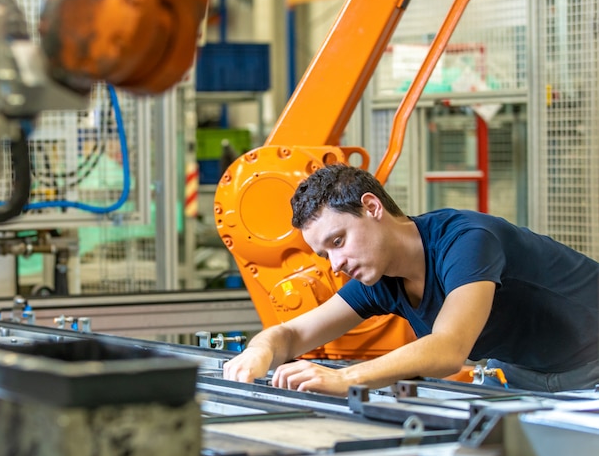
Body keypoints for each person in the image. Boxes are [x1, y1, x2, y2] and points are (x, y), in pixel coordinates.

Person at [223, 163, 599, 395]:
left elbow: (449, 349)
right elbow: (292, 334)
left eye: (338, 241)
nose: (335, 264)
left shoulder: (467, 241)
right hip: (531, 376)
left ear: (372, 207)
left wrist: (346, 378)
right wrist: (259, 352)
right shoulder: (382, 276)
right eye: (326, 254)